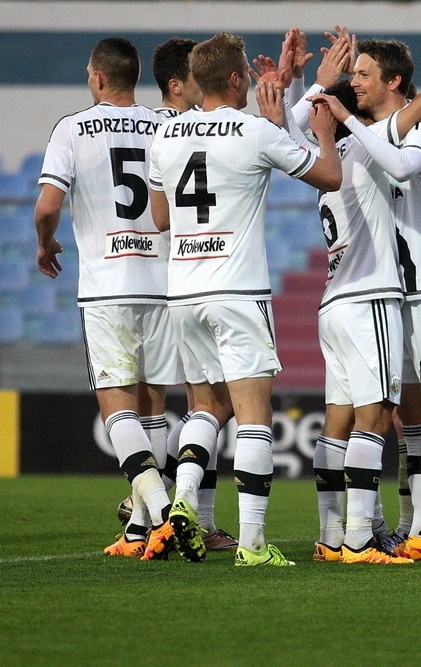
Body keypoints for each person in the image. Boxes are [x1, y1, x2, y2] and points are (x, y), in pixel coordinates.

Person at [148, 31, 342, 566]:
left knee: (205, 407)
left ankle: (183, 503)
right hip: (237, 289)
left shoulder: (165, 137)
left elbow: (161, 218)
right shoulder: (254, 131)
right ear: (236, 80)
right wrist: (323, 131)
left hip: (183, 289)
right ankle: (253, 544)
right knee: (255, 416)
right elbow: (328, 175)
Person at [322, 36, 421, 564]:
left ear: (392, 82)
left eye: (365, 73)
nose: (356, 81)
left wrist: (350, 119)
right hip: (397, 289)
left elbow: (405, 167)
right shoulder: (375, 131)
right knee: (408, 416)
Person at [34, 37, 179, 560]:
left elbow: (48, 204)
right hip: (162, 283)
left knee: (116, 405)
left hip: (107, 288)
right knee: (154, 405)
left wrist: (46, 241)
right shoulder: (164, 124)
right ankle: (140, 532)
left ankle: (163, 513)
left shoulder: (72, 128)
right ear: (134, 77)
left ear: (97, 77)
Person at [111, 36, 241, 553]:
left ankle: (157, 508)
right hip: (181, 280)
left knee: (196, 404)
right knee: (211, 403)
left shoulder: (150, 127)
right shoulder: (179, 129)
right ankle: (159, 504)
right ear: (177, 83)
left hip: (165, 282)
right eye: (195, 76)